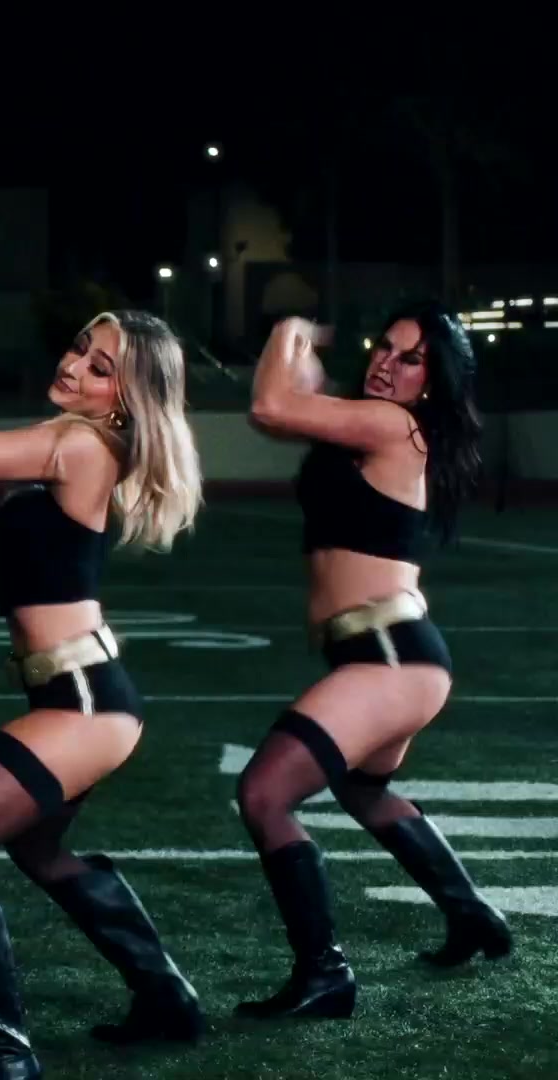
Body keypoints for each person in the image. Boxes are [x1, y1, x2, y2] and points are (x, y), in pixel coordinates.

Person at [0, 291, 206, 1078]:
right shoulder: (77, 439)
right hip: (81, 695)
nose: (73, 366)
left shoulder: (77, 442)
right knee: (38, 850)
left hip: (82, 702)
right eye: (79, 348)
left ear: (125, 398)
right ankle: (165, 996)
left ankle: (3, 1053)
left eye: (100, 368)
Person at [237, 305, 506, 1019]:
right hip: (389, 656)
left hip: (388, 657)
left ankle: (324, 973)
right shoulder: (367, 426)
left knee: (264, 794)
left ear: (433, 379)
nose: (387, 362)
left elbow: (269, 406)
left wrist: (288, 329)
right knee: (364, 791)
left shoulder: (393, 426)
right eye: (383, 347)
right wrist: (303, 364)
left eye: (410, 358)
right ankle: (470, 913)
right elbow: (288, 409)